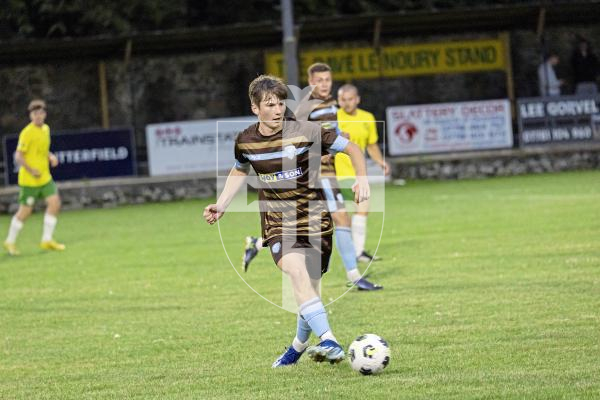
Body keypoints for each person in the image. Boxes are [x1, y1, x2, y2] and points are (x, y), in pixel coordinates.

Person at [204, 75, 370, 367]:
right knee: (296, 272)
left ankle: (297, 346)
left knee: (309, 289)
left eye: (281, 103)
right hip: (278, 222)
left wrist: (362, 179)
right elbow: (240, 169)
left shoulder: (306, 131)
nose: (277, 110)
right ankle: (329, 340)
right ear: (255, 108)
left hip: (316, 220)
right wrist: (222, 204)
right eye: (270, 104)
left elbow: (352, 149)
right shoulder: (245, 141)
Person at [243, 63, 382, 291]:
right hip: (316, 172)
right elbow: (292, 135)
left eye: (327, 80)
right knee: (340, 219)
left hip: (328, 171)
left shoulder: (330, 103)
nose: (324, 84)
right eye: (319, 81)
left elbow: (326, 132)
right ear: (310, 82)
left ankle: (257, 243)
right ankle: (354, 276)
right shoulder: (306, 105)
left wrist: (339, 136)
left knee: (315, 224)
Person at [336, 83, 390, 261]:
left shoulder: (367, 118)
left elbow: (371, 145)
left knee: (359, 211)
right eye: (343, 99)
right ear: (338, 101)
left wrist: (380, 161)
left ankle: (357, 252)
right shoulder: (333, 118)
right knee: (356, 210)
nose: (347, 103)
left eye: (350, 99)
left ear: (357, 99)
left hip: (357, 174)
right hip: (338, 173)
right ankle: (356, 253)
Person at [3, 99, 65, 256]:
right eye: (35, 113)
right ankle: (10, 241)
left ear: (45, 114)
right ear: (31, 116)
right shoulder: (27, 132)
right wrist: (31, 170)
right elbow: (18, 155)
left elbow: (42, 149)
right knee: (25, 211)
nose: (38, 116)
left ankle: (47, 239)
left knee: (55, 203)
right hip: (29, 180)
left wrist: (50, 156)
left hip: (44, 177)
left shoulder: (46, 129)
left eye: (41, 113)